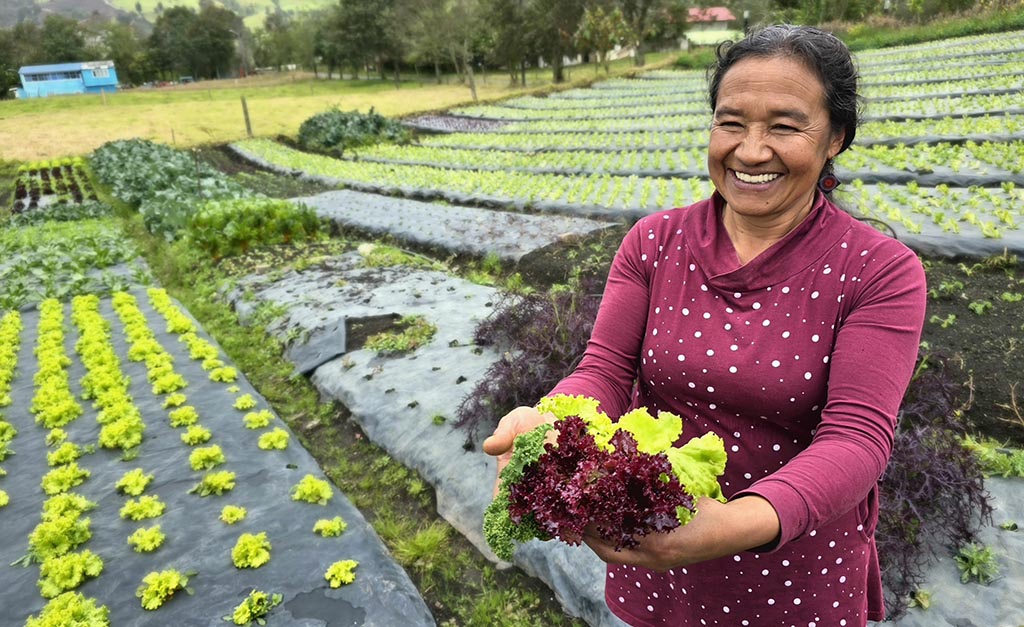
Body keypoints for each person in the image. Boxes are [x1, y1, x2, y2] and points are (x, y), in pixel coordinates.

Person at [483, 24, 927, 627]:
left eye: (785, 126)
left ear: (835, 140)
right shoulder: (654, 242)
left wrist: (732, 524)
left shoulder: (879, 271)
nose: (749, 150)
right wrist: (551, 421)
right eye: (731, 122)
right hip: (657, 542)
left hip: (790, 564)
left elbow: (856, 440)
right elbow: (605, 371)